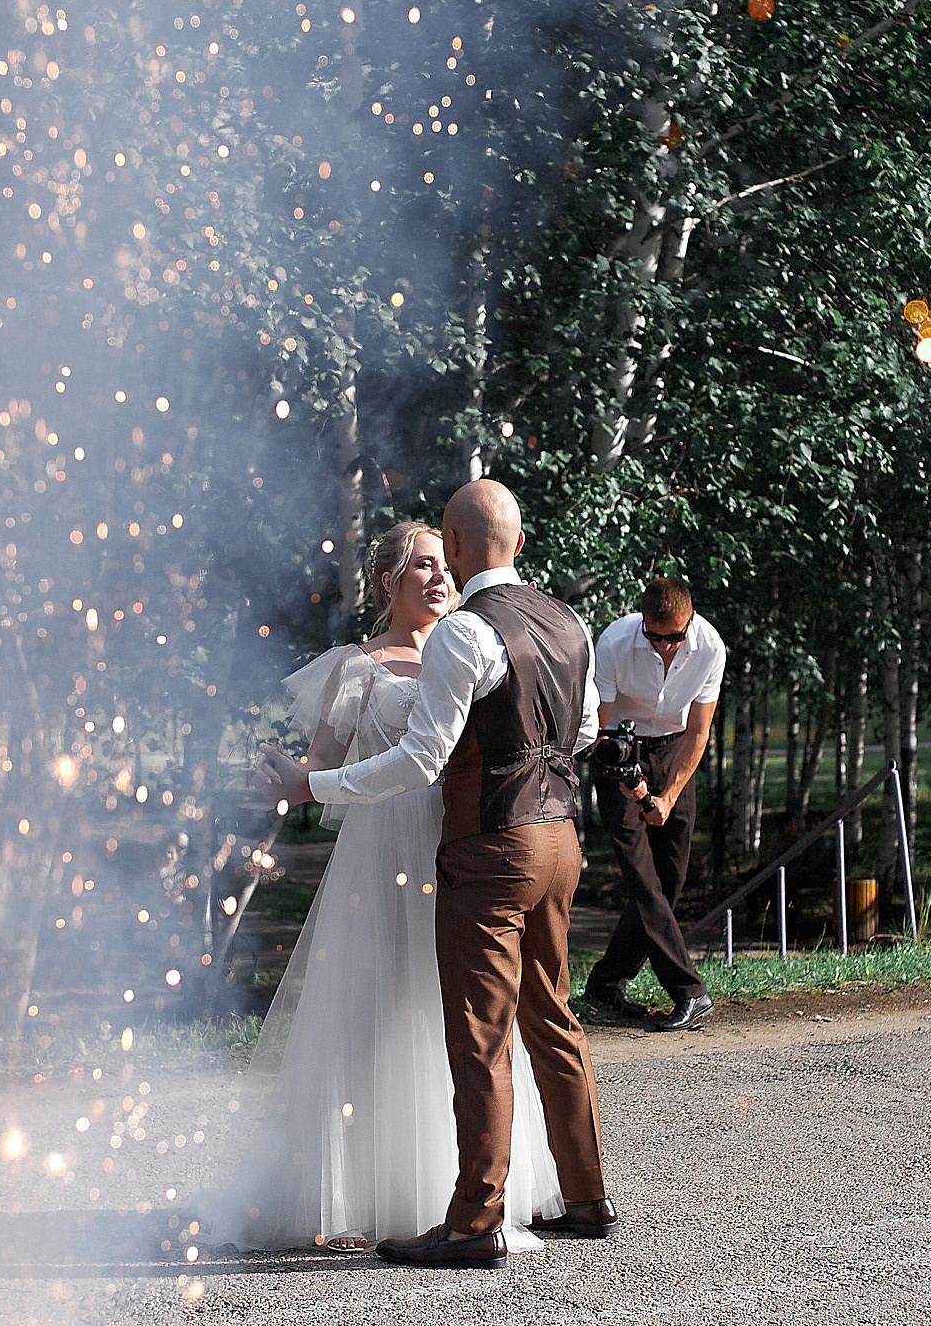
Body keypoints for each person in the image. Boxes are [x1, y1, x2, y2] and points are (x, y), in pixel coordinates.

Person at [256, 481, 618, 1268]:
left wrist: (309, 786)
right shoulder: (567, 620)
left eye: (439, 555)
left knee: (481, 1036)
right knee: (551, 1015)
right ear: (519, 544)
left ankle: (473, 1222)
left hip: (487, 847)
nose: (435, 575)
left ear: (457, 548)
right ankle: (588, 1197)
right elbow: (585, 726)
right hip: (557, 837)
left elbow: (424, 758)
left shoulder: (465, 635)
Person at [582, 577, 726, 1034]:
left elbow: (698, 732)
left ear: (691, 620)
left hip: (674, 752)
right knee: (643, 880)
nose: (664, 646)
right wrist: (623, 774)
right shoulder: (615, 641)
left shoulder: (710, 648)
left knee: (670, 879)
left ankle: (606, 982)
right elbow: (597, 724)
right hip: (618, 751)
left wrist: (666, 796)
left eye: (674, 637)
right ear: (643, 622)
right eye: (655, 636)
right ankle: (689, 992)